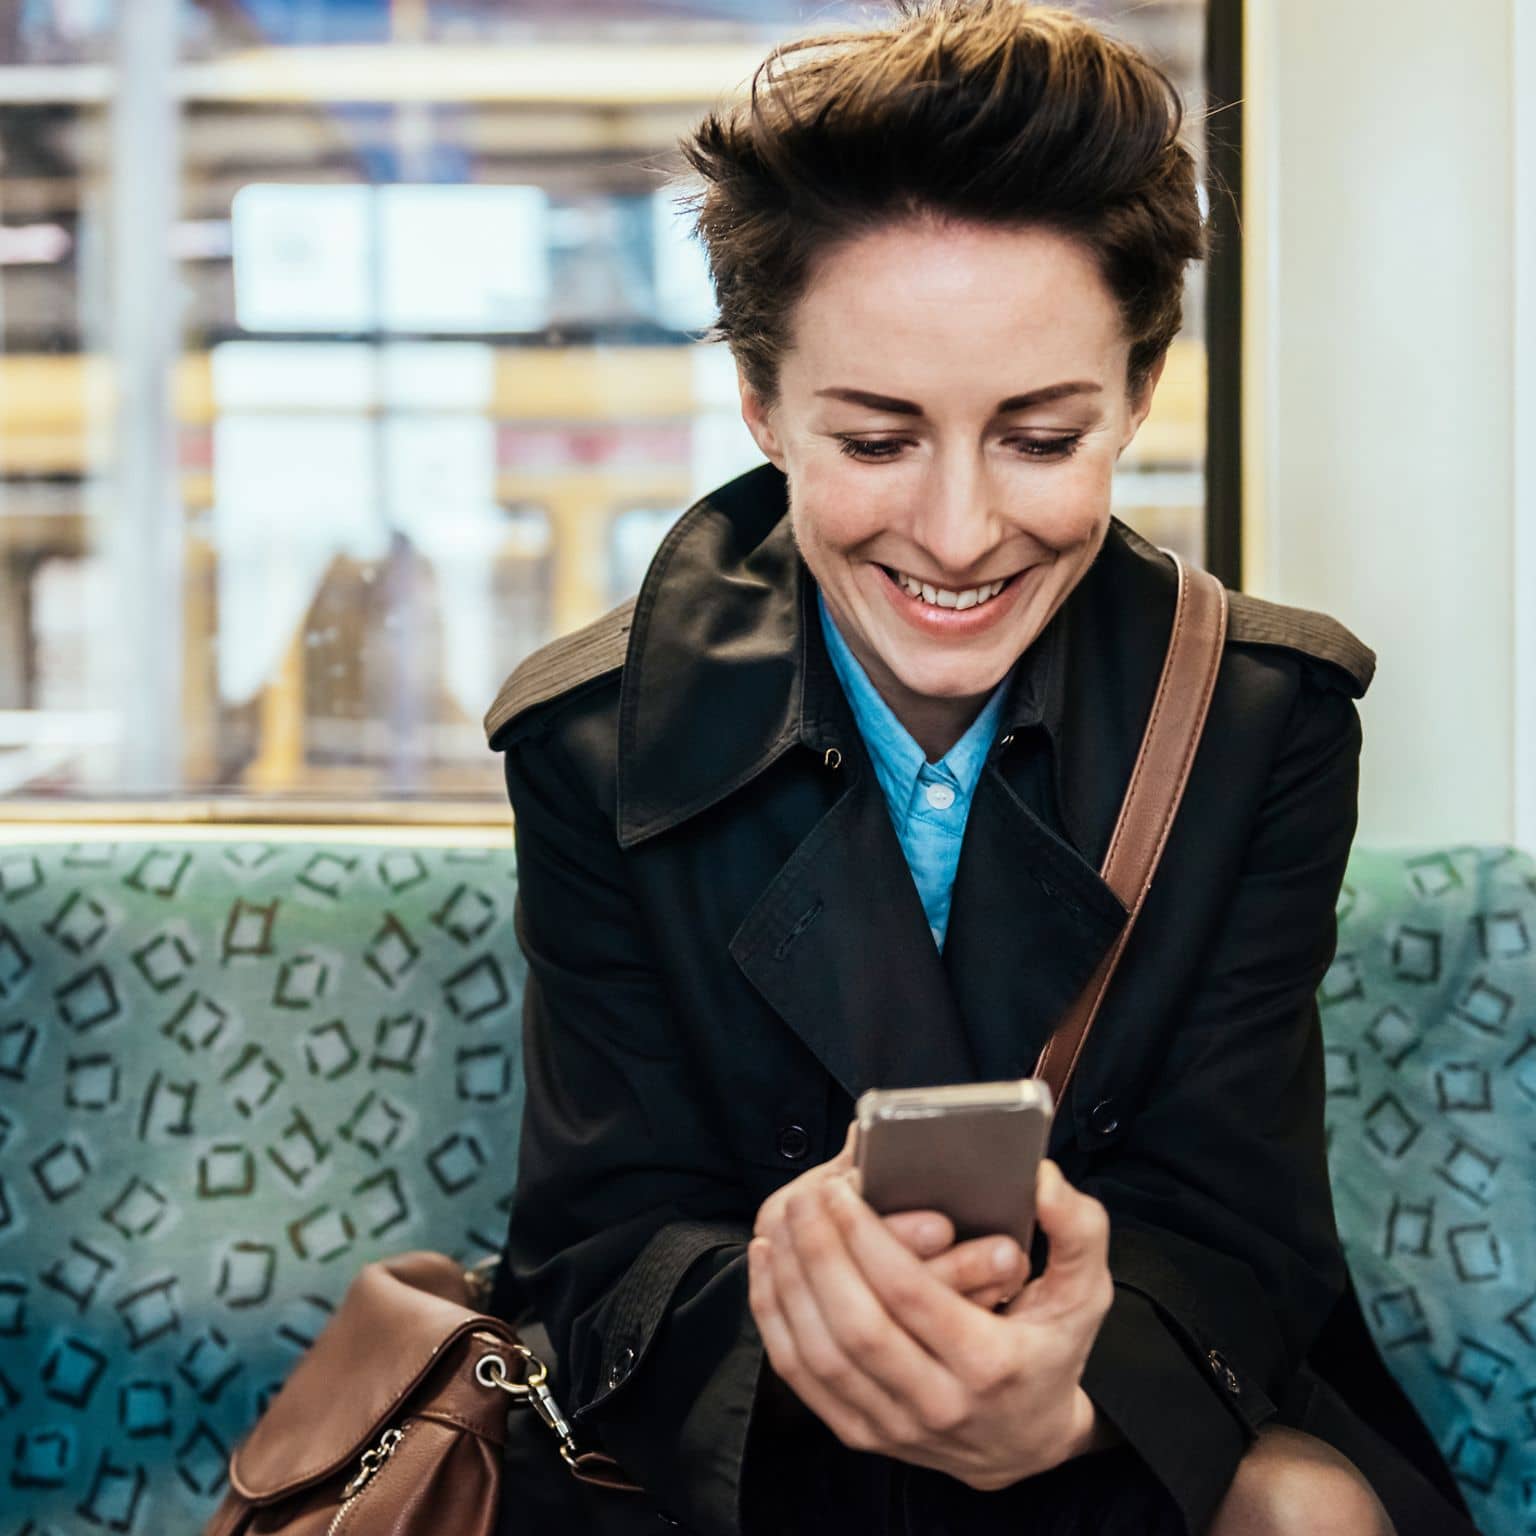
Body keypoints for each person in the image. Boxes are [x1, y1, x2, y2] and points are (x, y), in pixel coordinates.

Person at [484, 3, 1480, 1532]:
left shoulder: (1263, 722)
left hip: (1133, 1429)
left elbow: (1239, 1228)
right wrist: (804, 1294)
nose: (957, 535)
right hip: (746, 1456)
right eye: (877, 442)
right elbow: (595, 1250)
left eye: (1041, 438)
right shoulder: (589, 742)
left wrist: (1070, 1392)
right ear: (760, 406)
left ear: (1139, 394)